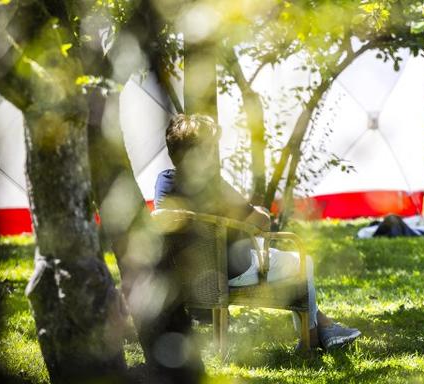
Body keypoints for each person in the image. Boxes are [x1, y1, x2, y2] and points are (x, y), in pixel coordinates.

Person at [154, 113, 361, 351]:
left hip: (190, 275)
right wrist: (259, 212)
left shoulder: (165, 183)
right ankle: (311, 340)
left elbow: (165, 217)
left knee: (287, 263)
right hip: (234, 270)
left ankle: (326, 326)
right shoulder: (214, 186)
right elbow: (261, 222)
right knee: (305, 262)